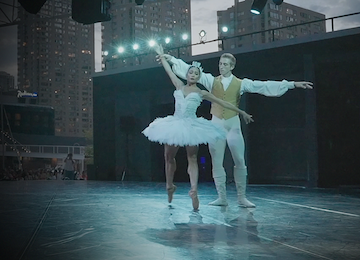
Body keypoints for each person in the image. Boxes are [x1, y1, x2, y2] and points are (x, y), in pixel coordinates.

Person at [160, 53, 313, 208]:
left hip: (233, 123)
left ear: (232, 66)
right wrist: (169, 59)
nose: (222, 66)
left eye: (225, 64)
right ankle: (222, 198)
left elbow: (263, 86)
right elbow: (189, 70)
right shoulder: (211, 80)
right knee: (216, 161)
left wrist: (292, 84)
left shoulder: (241, 83)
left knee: (239, 159)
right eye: (220, 63)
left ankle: (242, 197)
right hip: (216, 122)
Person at [142, 45, 254, 210]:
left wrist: (241, 111)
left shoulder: (202, 92)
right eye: (191, 72)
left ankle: (191, 189)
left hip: (187, 125)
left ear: (198, 77)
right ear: (187, 75)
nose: (193, 75)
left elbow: (223, 103)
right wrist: (162, 56)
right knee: (170, 158)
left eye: (196, 74)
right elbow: (169, 71)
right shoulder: (179, 85)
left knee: (188, 158)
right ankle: (171, 185)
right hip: (180, 125)